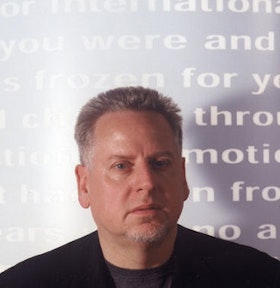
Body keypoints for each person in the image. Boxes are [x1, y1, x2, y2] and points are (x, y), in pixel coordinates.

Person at [0, 86, 279, 288]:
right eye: (121, 166)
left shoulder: (261, 276)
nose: (147, 183)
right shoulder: (23, 283)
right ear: (84, 185)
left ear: (182, 178)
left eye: (159, 163)